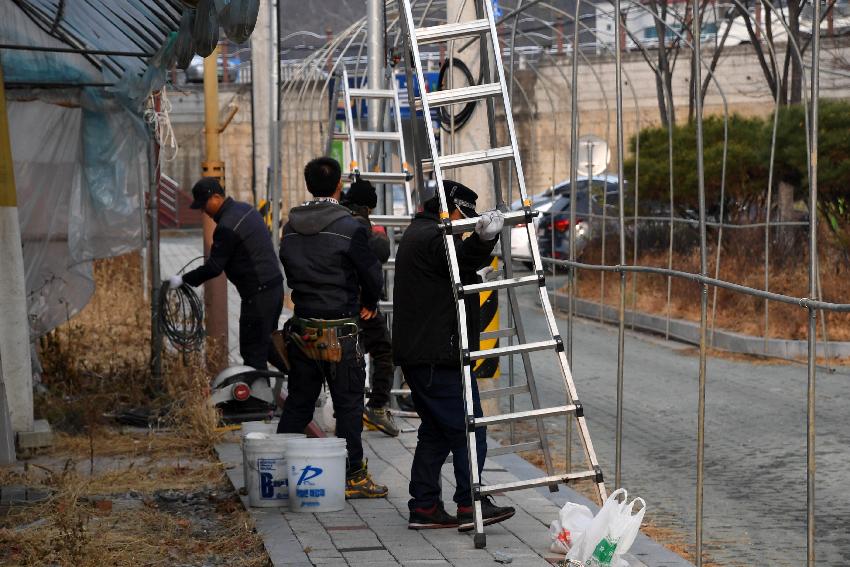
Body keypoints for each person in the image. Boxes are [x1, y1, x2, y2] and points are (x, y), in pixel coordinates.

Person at [393, 180, 515, 530]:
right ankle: (470, 503)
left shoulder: (420, 235)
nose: (466, 225)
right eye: (465, 218)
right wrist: (485, 238)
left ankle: (426, 506)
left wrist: (477, 251)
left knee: (435, 432)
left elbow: (454, 266)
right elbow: (459, 258)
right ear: (451, 210)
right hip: (438, 355)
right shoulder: (432, 237)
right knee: (468, 428)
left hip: (424, 354)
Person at [277, 157, 388, 499]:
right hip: (341, 328)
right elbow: (372, 274)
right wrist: (369, 302)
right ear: (339, 184)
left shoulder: (290, 226)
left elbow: (288, 263)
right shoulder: (349, 226)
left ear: (308, 184)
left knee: (299, 400)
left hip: (303, 326)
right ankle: (353, 475)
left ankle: (279, 468)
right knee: (349, 404)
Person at [166, 177, 284, 371]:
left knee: (252, 352)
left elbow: (214, 267)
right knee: (267, 345)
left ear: (216, 197)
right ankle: (302, 383)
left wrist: (183, 280)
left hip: (258, 295)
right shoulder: (246, 209)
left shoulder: (227, 226)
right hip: (274, 288)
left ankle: (259, 400)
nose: (204, 211)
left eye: (204, 205)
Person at [340, 178, 399, 437]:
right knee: (383, 352)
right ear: (368, 206)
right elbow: (373, 265)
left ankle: (343, 409)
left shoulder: (336, 219)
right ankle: (375, 406)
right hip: (361, 304)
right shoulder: (361, 225)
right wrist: (370, 303)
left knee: (344, 357)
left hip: (334, 302)